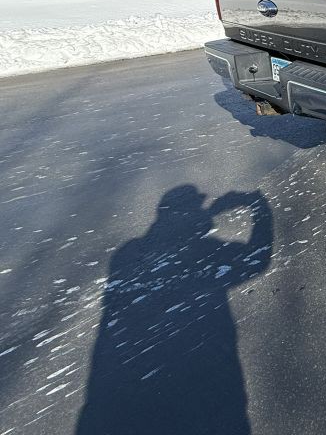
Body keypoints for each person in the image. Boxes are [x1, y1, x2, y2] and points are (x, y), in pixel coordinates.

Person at [76, 186, 272, 435]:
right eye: (197, 208)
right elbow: (258, 258)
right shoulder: (205, 252)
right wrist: (256, 205)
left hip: (122, 400)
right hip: (208, 391)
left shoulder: (129, 254)